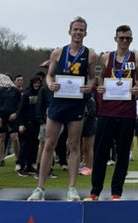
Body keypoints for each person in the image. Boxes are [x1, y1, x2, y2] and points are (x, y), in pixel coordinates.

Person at [29, 17, 96, 201]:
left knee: (74, 144)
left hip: (76, 103)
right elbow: (49, 76)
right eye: (75, 29)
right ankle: (40, 187)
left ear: (85, 33)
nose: (78, 32)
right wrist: (50, 85)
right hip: (58, 102)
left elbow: (91, 78)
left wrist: (89, 87)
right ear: (69, 31)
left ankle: (72, 188)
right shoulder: (58, 53)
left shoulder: (90, 54)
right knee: (49, 143)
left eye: (81, 30)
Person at [87, 25, 138, 201]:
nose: (125, 41)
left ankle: (116, 192)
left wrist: (137, 88)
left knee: (123, 153)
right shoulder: (106, 57)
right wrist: (101, 87)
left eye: (128, 38)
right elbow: (101, 78)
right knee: (101, 152)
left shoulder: (137, 58)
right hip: (107, 111)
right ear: (116, 39)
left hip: (127, 112)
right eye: (122, 38)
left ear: (131, 40)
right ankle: (95, 191)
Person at [16, 77, 43, 176]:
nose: (37, 85)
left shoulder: (41, 94)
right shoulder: (27, 94)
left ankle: (30, 164)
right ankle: (20, 165)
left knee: (35, 145)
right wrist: (21, 124)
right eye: (35, 83)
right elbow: (21, 110)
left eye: (38, 83)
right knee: (25, 144)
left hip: (37, 123)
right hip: (27, 123)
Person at [0, 73, 23, 168]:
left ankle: (17, 158)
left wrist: (16, 113)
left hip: (12, 116)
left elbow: (20, 104)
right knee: (1, 137)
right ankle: (1, 158)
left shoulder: (15, 91)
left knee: (15, 137)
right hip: (2, 117)